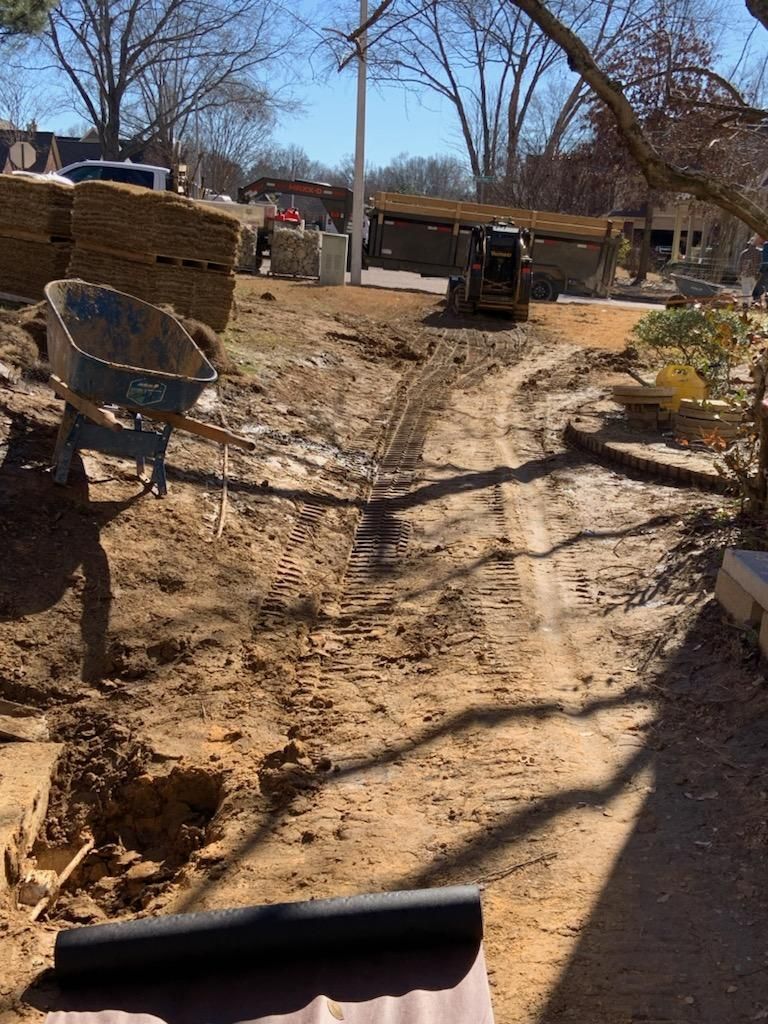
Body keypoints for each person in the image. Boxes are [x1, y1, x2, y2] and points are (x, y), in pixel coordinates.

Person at [738, 237, 762, 308]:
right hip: (754, 274)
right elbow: (760, 264)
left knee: (745, 289)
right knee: (752, 290)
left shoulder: (744, 253)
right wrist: (758, 272)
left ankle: (745, 303)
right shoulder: (759, 253)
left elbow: (739, 264)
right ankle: (751, 303)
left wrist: (739, 273)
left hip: (745, 273)